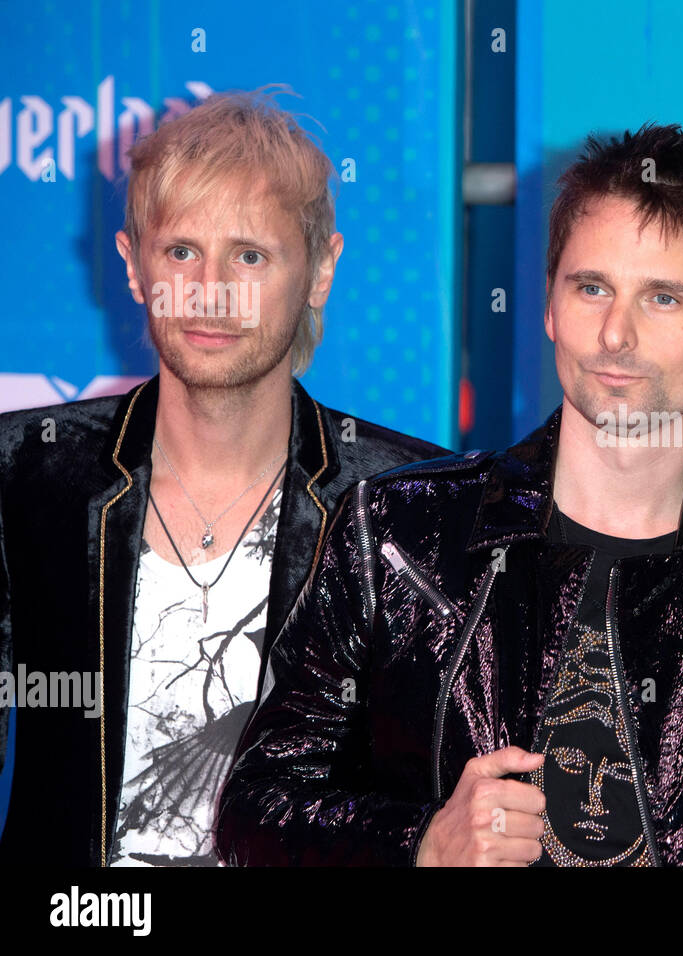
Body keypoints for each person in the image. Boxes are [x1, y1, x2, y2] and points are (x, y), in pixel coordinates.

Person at [216, 123, 683, 866]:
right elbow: (257, 810)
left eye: (664, 299)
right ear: (549, 305)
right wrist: (422, 842)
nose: (616, 333)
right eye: (592, 287)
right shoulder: (399, 531)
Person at [0, 89, 446, 866]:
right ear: (133, 268)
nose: (211, 290)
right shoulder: (28, 474)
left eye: (249, 254)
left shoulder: (408, 500)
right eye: (180, 252)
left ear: (320, 270)